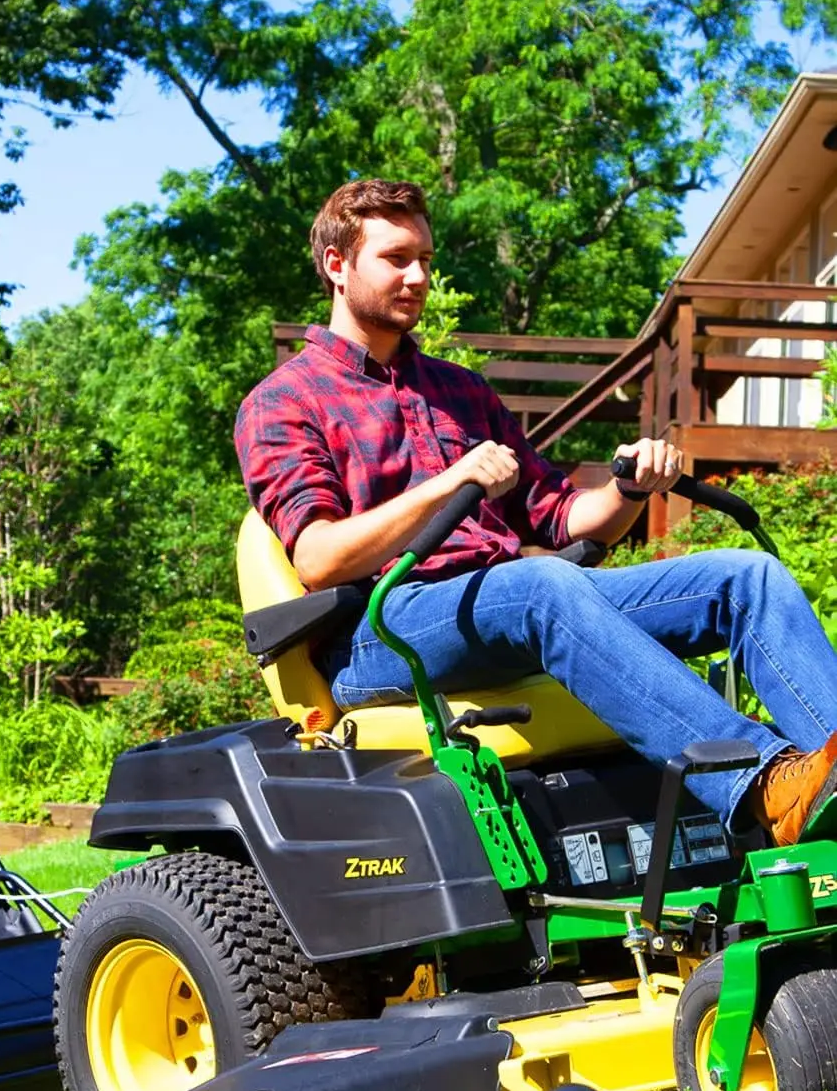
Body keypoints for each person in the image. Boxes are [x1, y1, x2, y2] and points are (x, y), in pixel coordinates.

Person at [235, 177, 837, 846]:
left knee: (742, 579)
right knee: (538, 586)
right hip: (382, 630)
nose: (417, 277)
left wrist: (628, 489)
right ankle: (763, 785)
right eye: (396, 258)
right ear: (337, 266)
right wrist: (449, 483)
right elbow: (318, 560)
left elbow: (559, 517)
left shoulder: (459, 391)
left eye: (426, 261)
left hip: (504, 606)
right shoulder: (284, 401)